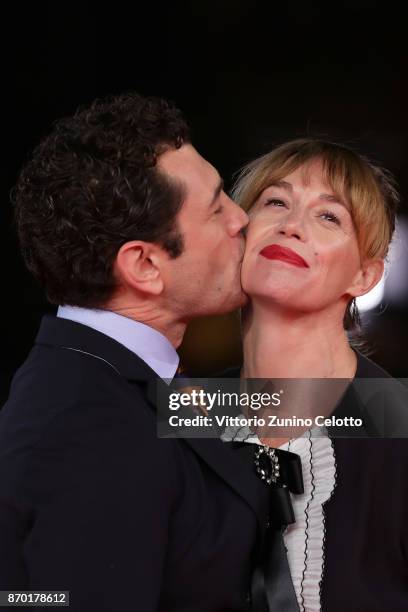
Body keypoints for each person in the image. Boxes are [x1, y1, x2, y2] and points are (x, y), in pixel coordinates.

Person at [0, 93, 272, 611]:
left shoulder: (111, 378)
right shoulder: (88, 429)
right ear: (144, 266)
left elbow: (294, 410)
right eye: (216, 208)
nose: (243, 219)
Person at [230, 139, 408, 611]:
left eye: (329, 216)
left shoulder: (400, 421)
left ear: (365, 277)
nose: (291, 226)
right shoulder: (182, 410)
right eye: (275, 202)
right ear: (237, 233)